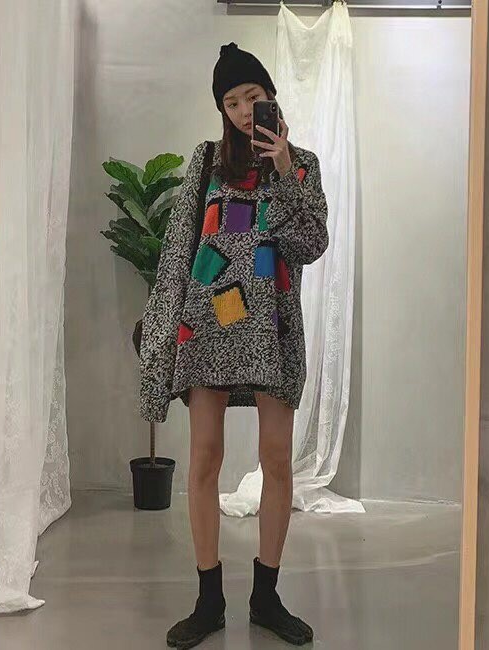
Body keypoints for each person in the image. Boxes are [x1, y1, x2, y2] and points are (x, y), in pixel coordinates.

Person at [138, 42, 329, 648]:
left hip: (272, 327)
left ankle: (267, 597)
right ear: (222, 110)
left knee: (277, 460)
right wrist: (163, 330)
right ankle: (209, 599)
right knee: (204, 459)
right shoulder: (207, 162)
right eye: (232, 102)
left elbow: (311, 244)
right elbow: (179, 249)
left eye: (253, 97)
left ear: (270, 96)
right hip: (209, 326)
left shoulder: (302, 165)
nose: (246, 111)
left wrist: (285, 170)